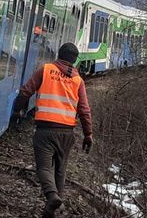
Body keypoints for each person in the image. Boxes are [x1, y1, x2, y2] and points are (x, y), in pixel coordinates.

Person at [12, 42, 93, 218]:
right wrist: (88, 135)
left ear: (58, 54)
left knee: (44, 168)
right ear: (75, 59)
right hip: (67, 133)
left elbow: (26, 91)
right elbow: (84, 110)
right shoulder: (78, 80)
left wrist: (17, 111)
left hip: (45, 131)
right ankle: (53, 209)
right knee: (60, 170)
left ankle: (52, 196)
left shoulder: (46, 69)